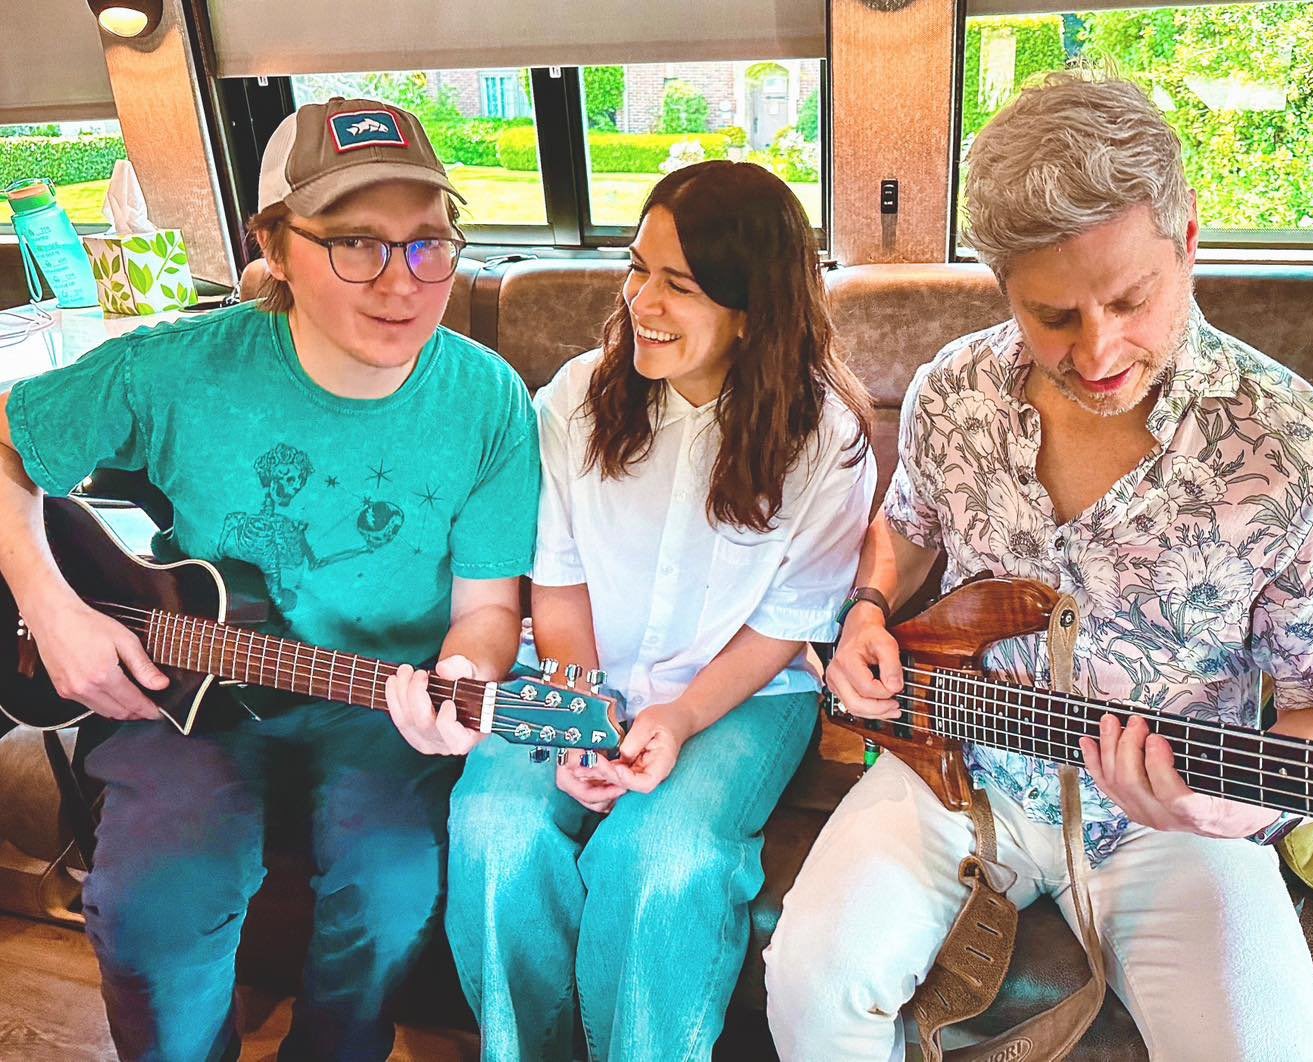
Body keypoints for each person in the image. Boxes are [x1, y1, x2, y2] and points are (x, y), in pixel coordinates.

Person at [763, 72, 1313, 1061]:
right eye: (1054, 316)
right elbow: (903, 528)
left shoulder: (1299, 455)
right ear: (1004, 289)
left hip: (1176, 819)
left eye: (1131, 297)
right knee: (808, 996)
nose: (1101, 348)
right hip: (960, 771)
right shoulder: (954, 392)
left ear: (1187, 240)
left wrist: (1250, 801)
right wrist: (863, 612)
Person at [0, 97, 539, 1061]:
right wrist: (52, 605)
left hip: (378, 700)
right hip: (189, 680)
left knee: (394, 885)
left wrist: (462, 676)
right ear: (276, 246)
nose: (403, 281)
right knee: (149, 902)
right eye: (356, 244)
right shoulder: (176, 369)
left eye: (429, 244)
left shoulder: (489, 397)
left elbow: (491, 608)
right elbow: (7, 442)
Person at [388, 160, 875, 1060]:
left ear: (752, 307)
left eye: (678, 284)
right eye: (637, 267)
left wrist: (679, 718)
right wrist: (580, 714)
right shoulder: (575, 397)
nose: (641, 300)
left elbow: (788, 624)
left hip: (738, 695)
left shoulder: (827, 439)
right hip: (571, 664)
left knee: (663, 861)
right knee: (495, 833)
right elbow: (558, 583)